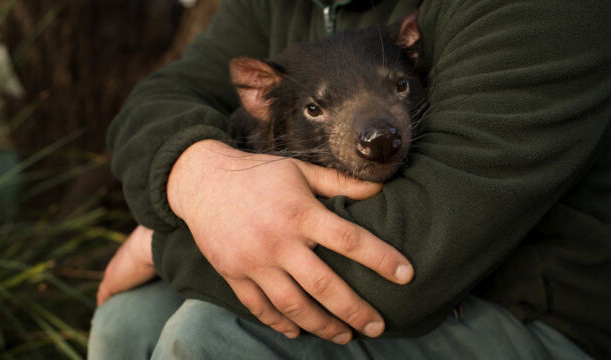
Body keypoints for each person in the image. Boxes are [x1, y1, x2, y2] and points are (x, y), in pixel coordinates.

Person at [88, 0, 611, 359]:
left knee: (212, 336)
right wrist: (196, 177)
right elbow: (156, 102)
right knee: (126, 320)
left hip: (537, 315)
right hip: (408, 265)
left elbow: (409, 268)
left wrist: (168, 240)